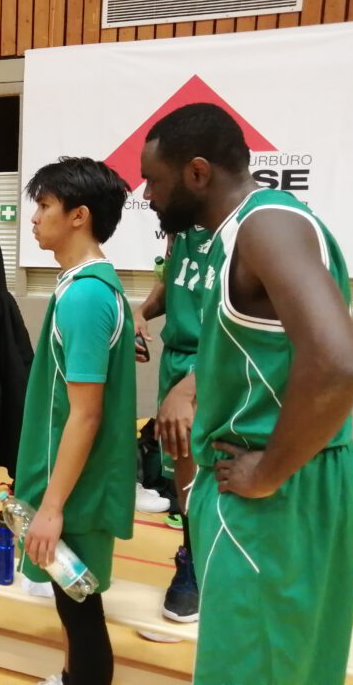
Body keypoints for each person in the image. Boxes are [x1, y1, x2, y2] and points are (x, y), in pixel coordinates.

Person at [140, 102, 353, 685]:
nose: (147, 194)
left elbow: (340, 363)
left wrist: (268, 471)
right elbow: (267, 349)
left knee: (253, 670)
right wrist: (193, 384)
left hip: (277, 490)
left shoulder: (266, 226)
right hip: (296, 481)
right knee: (294, 667)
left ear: (196, 173)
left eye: (154, 180)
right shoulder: (242, 231)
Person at [16, 157, 136, 685]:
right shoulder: (83, 286)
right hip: (72, 483)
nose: (35, 217)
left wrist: (52, 507)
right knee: (72, 606)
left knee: (81, 611)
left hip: (78, 491)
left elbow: (86, 415)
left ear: (79, 216)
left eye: (44, 206)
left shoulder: (86, 295)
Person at [133, 226, 210, 625]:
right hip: (177, 359)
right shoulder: (180, 231)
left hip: (218, 358)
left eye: (153, 180)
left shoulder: (244, 227)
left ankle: (217, 569)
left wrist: (194, 385)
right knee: (183, 469)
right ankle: (191, 561)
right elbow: (174, 283)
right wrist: (142, 311)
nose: (146, 193)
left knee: (223, 470)